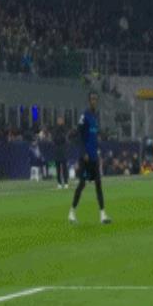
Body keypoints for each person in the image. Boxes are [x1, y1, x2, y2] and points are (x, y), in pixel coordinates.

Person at [68, 91, 111, 224]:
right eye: (92, 99)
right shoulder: (84, 115)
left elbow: (94, 136)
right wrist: (83, 152)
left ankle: (102, 215)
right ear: (89, 101)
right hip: (85, 158)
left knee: (98, 184)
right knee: (82, 184)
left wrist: (98, 148)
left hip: (94, 157)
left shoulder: (95, 117)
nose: (94, 101)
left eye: (95, 99)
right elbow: (79, 135)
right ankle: (72, 212)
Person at [53, 117, 69, 189]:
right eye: (58, 120)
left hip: (63, 151)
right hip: (57, 151)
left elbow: (65, 138)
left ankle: (66, 182)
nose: (59, 122)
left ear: (63, 121)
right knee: (58, 168)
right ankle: (59, 183)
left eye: (61, 120)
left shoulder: (65, 129)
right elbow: (54, 139)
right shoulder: (55, 130)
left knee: (64, 167)